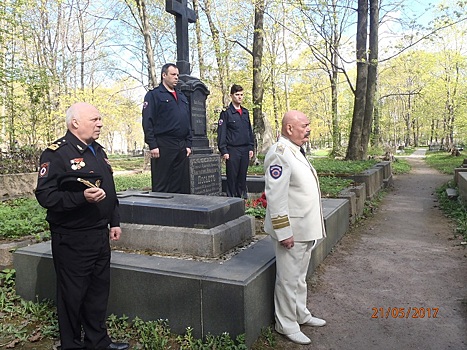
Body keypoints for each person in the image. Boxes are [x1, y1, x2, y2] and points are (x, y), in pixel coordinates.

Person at [35, 102, 129, 350]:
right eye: (94, 120)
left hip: (99, 234)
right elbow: (45, 196)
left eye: (100, 119)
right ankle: (71, 345)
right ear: (75, 123)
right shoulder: (56, 153)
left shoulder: (98, 150)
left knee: (98, 294)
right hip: (72, 237)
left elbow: (109, 189)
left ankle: (98, 342)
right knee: (72, 297)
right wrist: (80, 198)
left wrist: (114, 221)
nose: (100, 123)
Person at [263, 110, 327, 345]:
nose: (309, 129)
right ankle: (286, 324)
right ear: (289, 128)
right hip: (292, 231)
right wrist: (283, 232)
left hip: (305, 228)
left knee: (299, 277)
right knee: (288, 279)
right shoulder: (280, 154)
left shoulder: (295, 150)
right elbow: (276, 197)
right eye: (305, 125)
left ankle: (300, 313)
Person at [142, 63, 192, 193]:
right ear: (164, 75)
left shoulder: (181, 97)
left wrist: (188, 144)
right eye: (173, 74)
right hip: (163, 144)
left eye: (177, 75)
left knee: (179, 183)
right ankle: (161, 212)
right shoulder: (154, 95)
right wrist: (152, 144)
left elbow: (187, 121)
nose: (176, 78)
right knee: (162, 183)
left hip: (181, 145)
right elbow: (148, 121)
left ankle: (178, 211)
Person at [217, 84, 254, 198]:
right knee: (232, 177)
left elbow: (249, 131)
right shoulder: (226, 113)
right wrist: (224, 150)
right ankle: (232, 200)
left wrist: (251, 147)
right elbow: (222, 133)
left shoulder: (245, 112)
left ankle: (242, 200)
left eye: (241, 95)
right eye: (237, 95)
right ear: (231, 96)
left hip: (245, 149)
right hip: (232, 150)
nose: (240, 97)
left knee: (242, 177)